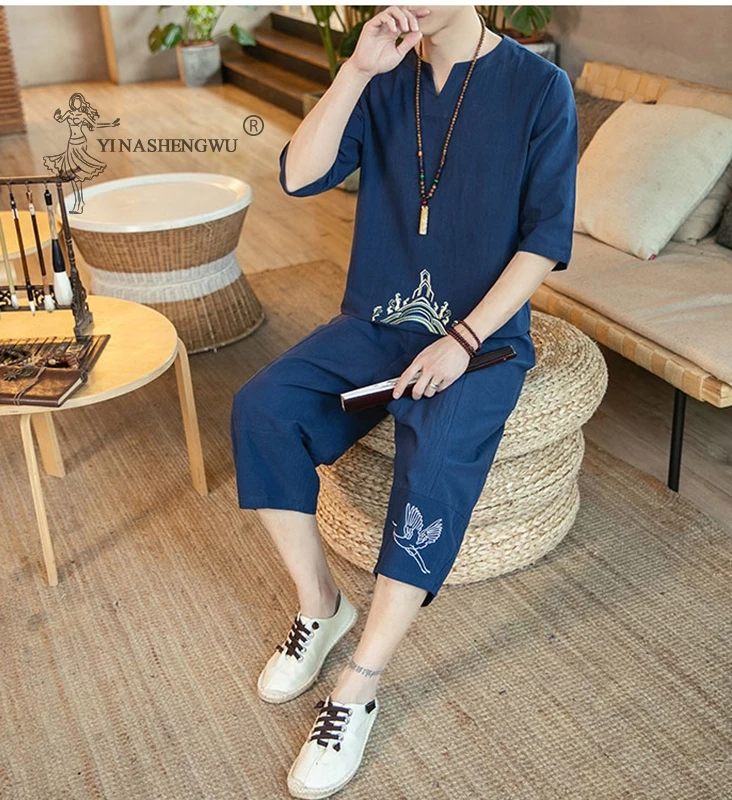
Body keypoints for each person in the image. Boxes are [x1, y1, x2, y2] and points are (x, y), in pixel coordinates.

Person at [230, 5, 578, 797]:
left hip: (480, 339)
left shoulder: (540, 87)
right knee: (262, 408)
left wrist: (462, 341)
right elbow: (298, 175)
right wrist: (356, 72)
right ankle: (322, 607)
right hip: (374, 323)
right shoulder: (384, 78)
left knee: (437, 446)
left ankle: (359, 683)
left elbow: (545, 238)